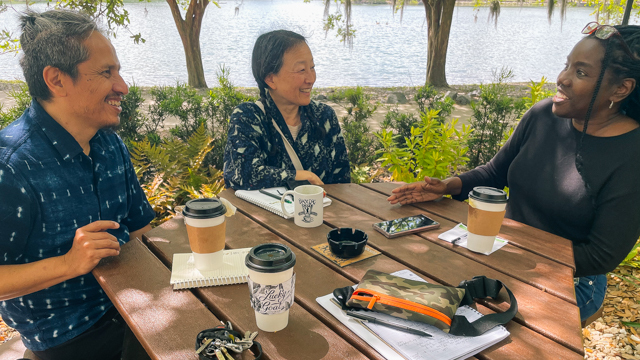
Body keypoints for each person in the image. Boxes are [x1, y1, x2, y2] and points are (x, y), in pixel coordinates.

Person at [388, 23, 640, 323]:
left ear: (621, 88)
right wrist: (448, 186)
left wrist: (512, 249)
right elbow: (495, 172)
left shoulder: (631, 155)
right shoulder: (543, 115)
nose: (562, 79)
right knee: (412, 295)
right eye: (567, 66)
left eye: (581, 73)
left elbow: (600, 256)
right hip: (500, 252)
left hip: (569, 279)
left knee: (472, 324)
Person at [0, 10, 155, 360]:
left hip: (139, 308)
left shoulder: (110, 144)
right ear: (56, 79)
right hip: (71, 339)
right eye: (107, 72)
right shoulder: (11, 166)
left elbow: (142, 230)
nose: (123, 87)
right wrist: (69, 263)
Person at [223, 30, 351, 190]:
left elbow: (342, 183)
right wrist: (302, 176)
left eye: (312, 67)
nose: (311, 79)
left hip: (321, 214)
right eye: (301, 70)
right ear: (270, 79)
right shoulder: (248, 117)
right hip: (262, 215)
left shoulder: (324, 116)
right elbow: (242, 175)